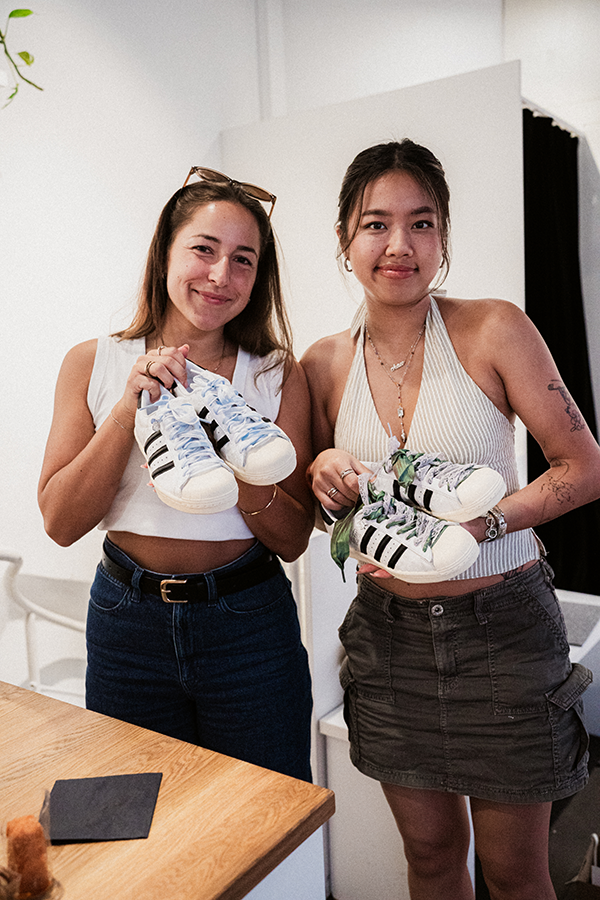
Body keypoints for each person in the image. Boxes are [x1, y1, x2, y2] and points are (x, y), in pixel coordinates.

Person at [301, 139, 600, 898]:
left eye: (422, 223)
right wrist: (324, 474)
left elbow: (583, 467)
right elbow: (319, 515)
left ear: (443, 236)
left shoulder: (494, 328)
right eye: (376, 224)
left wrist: (479, 529)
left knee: (515, 872)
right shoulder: (324, 364)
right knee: (432, 858)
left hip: (503, 631)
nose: (399, 245)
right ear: (344, 239)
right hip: (388, 642)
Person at [38, 167, 314, 781]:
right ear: (165, 252)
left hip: (248, 623)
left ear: (258, 278)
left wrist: (228, 439)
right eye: (204, 249)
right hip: (127, 624)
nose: (220, 275)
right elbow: (60, 521)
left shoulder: (275, 373)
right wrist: (128, 410)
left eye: (243, 260)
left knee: (265, 812)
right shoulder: (93, 362)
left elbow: (294, 538)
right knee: (136, 812)